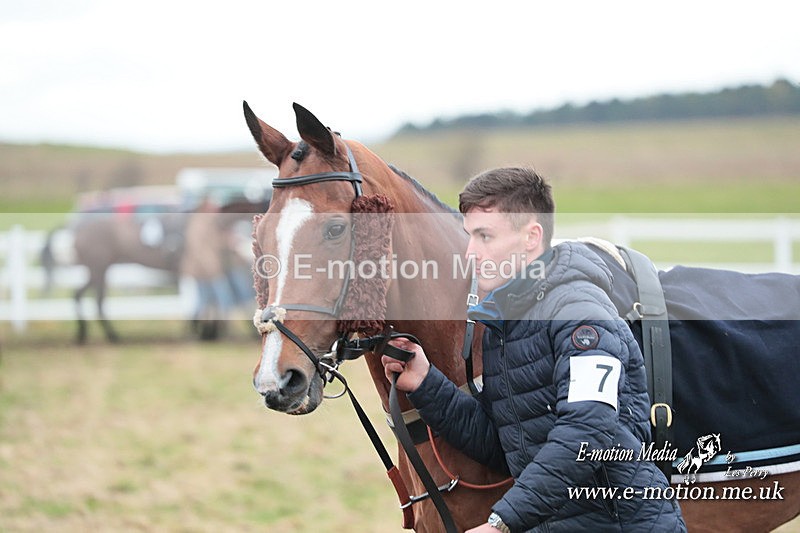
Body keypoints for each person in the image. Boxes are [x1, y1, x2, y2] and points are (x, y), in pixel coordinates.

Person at [383, 167, 686, 532]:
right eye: (469, 236)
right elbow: (507, 442)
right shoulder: (506, 324)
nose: (470, 252)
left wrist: (501, 523)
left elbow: (587, 434)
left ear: (531, 237)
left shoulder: (579, 315)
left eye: (485, 236)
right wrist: (426, 382)